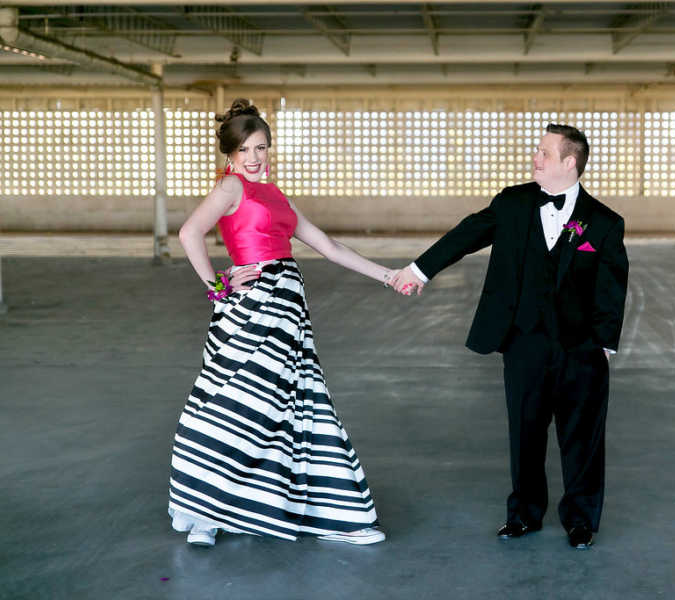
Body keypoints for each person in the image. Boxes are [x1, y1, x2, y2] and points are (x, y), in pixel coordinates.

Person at [169, 99, 400, 547]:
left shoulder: (277, 196)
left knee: (293, 407)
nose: (254, 159)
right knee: (230, 405)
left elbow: (329, 247)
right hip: (250, 308)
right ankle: (203, 512)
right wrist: (217, 287)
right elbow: (188, 233)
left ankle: (338, 513)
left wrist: (388, 275)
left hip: (288, 309)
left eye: (261, 148)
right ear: (230, 156)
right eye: (245, 151)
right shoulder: (230, 188)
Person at [391, 124, 628, 549]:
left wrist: (604, 345)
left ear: (569, 162)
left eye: (543, 152)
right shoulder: (513, 203)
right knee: (525, 432)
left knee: (582, 438)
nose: (535, 158)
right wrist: (418, 270)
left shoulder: (605, 223)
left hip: (581, 349)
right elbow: (466, 235)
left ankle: (581, 520)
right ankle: (523, 515)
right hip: (524, 342)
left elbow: (612, 286)